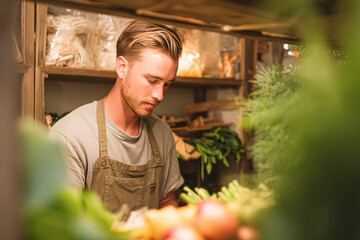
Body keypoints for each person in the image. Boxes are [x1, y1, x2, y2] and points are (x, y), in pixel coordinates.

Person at [51, 20, 184, 214]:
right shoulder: (70, 136)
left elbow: (167, 204)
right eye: (153, 80)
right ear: (122, 67)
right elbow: (64, 224)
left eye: (167, 84)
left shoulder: (162, 133)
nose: (160, 95)